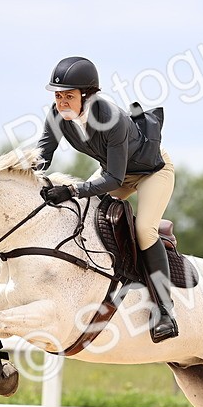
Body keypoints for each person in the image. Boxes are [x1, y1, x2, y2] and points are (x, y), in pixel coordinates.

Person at [35, 55, 179, 343]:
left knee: (143, 230)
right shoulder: (57, 115)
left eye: (68, 96)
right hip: (115, 172)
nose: (61, 102)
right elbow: (42, 156)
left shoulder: (110, 119)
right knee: (82, 213)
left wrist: (73, 189)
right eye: (58, 95)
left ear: (87, 96)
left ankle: (164, 309)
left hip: (151, 173)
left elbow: (113, 180)